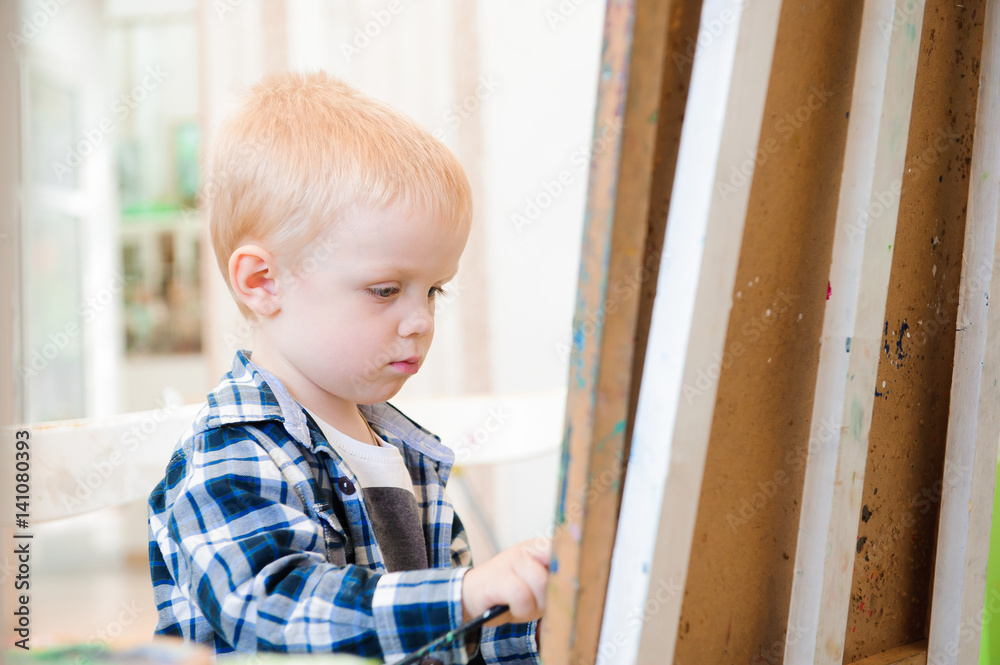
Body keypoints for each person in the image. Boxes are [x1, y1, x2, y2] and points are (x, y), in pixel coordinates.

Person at [147, 70, 549, 664]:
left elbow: (447, 639)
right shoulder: (231, 454)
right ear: (263, 282)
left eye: (435, 290)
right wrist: (463, 595)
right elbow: (274, 612)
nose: (419, 321)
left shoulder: (406, 452)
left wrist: (525, 610)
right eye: (386, 290)